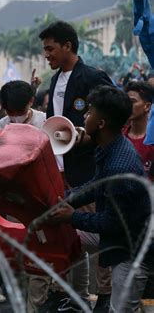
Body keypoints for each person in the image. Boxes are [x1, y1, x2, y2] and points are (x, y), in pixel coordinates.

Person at [48, 85, 154, 312]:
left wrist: (71, 216)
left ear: (101, 123)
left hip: (133, 248)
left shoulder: (119, 166)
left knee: (121, 309)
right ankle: (77, 300)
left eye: (90, 112)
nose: (85, 117)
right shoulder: (110, 146)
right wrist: (66, 200)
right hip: (122, 235)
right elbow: (95, 187)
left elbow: (111, 223)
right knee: (69, 236)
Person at [37, 20, 114, 312]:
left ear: (68, 45)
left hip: (90, 171)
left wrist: (88, 137)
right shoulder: (56, 80)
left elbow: (115, 111)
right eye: (45, 50)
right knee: (74, 237)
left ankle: (106, 296)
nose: (46, 55)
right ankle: (75, 294)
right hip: (65, 170)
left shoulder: (93, 76)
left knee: (101, 235)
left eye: (50, 48)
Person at [123, 81, 154, 179]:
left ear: (147, 106)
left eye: (132, 102)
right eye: (126, 102)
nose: (127, 106)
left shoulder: (152, 142)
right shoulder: (118, 136)